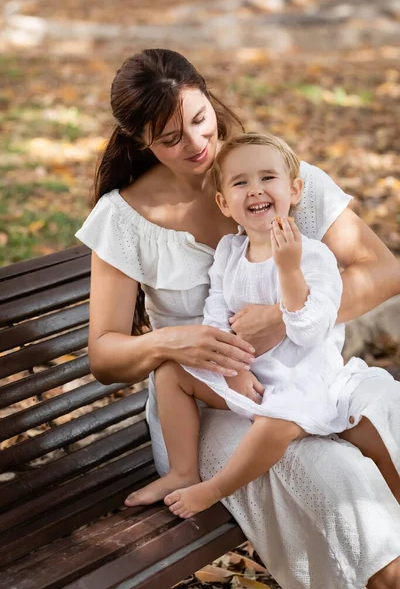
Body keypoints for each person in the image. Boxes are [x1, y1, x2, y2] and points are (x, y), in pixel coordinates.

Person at [75, 49, 400, 589]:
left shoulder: (276, 175)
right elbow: (104, 355)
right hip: (209, 409)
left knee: (388, 416)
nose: (197, 144)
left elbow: (385, 271)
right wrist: (174, 342)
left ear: (210, 97)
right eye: (170, 138)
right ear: (141, 142)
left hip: (306, 378)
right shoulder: (124, 218)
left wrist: (284, 318)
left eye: (200, 119)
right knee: (340, 482)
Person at [125, 132, 399, 518]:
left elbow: (308, 329)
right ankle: (183, 471)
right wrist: (231, 369)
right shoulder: (229, 253)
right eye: (240, 182)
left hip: (302, 378)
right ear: (224, 202)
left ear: (296, 189)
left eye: (268, 178)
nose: (255, 190)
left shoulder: (314, 256)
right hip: (250, 378)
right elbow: (216, 315)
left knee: (277, 422)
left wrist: (288, 269)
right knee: (170, 373)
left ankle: (213, 488)